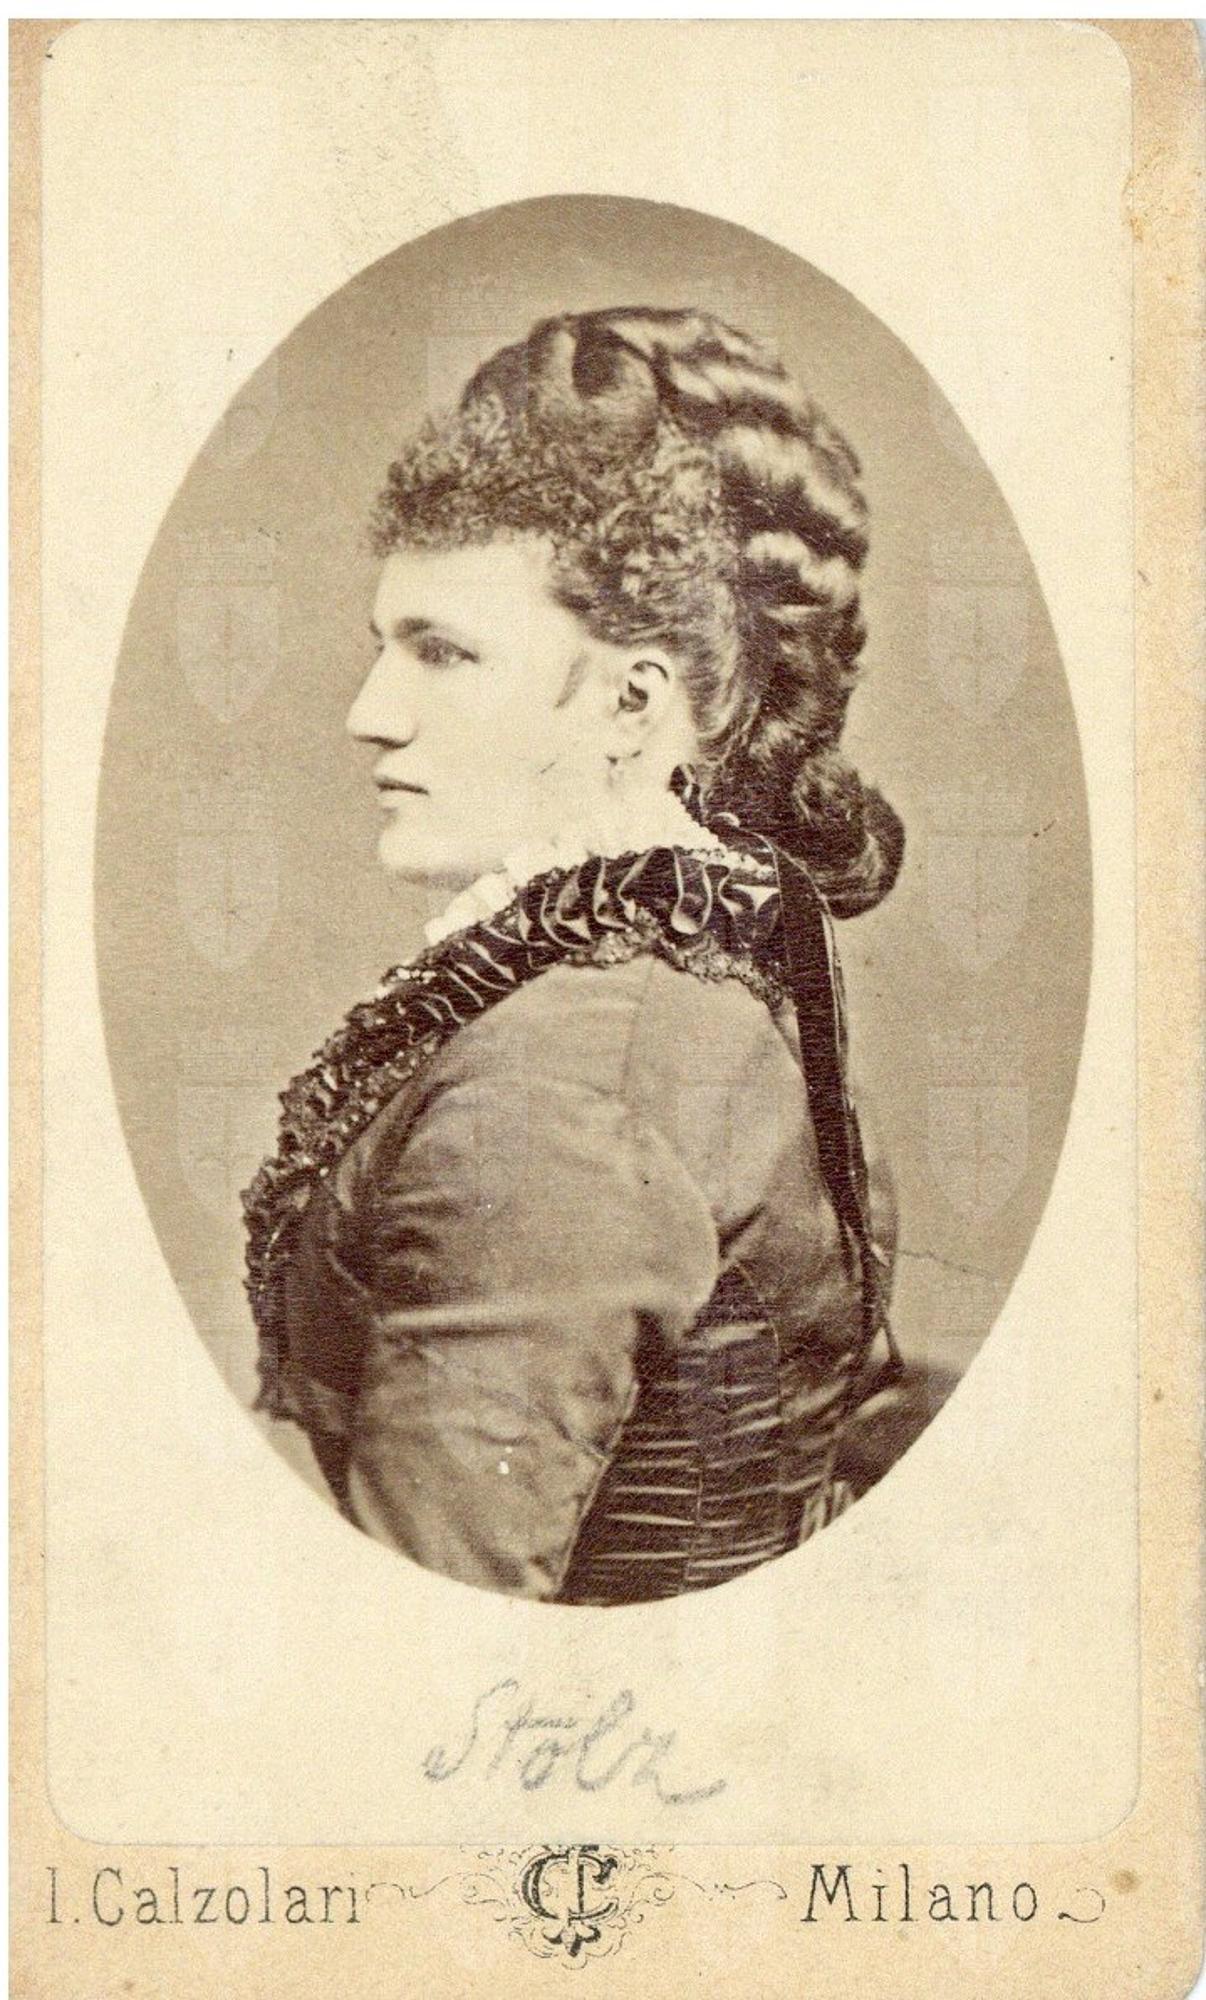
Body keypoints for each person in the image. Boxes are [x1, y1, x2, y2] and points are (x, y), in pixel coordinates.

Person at [242, 306, 905, 1605]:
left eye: (443, 652)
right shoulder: (683, 970)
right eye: (384, 646)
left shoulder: (561, 1089)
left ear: (631, 704)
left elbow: (437, 1623)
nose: (371, 715)